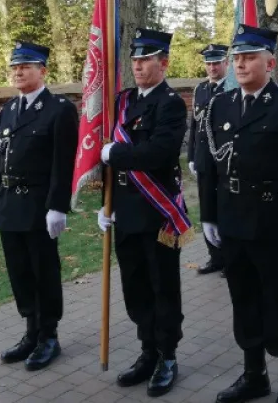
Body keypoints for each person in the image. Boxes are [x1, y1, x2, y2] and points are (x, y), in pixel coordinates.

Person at [198, 24, 278, 403]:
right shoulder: (222, 104)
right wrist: (210, 216)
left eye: (249, 57)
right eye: (237, 58)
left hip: (272, 221)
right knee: (244, 299)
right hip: (233, 219)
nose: (241, 64)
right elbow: (212, 166)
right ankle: (254, 374)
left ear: (269, 61)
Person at [98, 28, 187, 397]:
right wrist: (107, 206)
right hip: (126, 214)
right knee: (134, 287)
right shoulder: (122, 101)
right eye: (134, 60)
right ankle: (147, 350)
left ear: (163, 63)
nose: (137, 65)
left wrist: (114, 154)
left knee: (162, 287)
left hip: (157, 213)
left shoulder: (171, 103)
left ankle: (167, 355)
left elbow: (158, 153)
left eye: (145, 59)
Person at [0, 41, 77, 371]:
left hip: (39, 206)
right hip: (10, 204)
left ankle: (48, 336)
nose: (18, 72)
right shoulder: (8, 110)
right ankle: (30, 331)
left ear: (43, 71)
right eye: (14, 67)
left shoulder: (59, 109)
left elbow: (63, 163)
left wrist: (58, 206)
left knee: (43, 271)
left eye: (25, 66)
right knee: (20, 272)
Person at [187, 44, 228, 275]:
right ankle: (215, 257)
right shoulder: (200, 89)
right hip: (204, 160)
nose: (212, 67)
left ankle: (230, 258)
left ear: (226, 63)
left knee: (225, 208)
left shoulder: (233, 89)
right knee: (207, 209)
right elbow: (195, 126)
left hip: (224, 160)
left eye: (216, 63)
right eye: (209, 63)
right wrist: (192, 155)